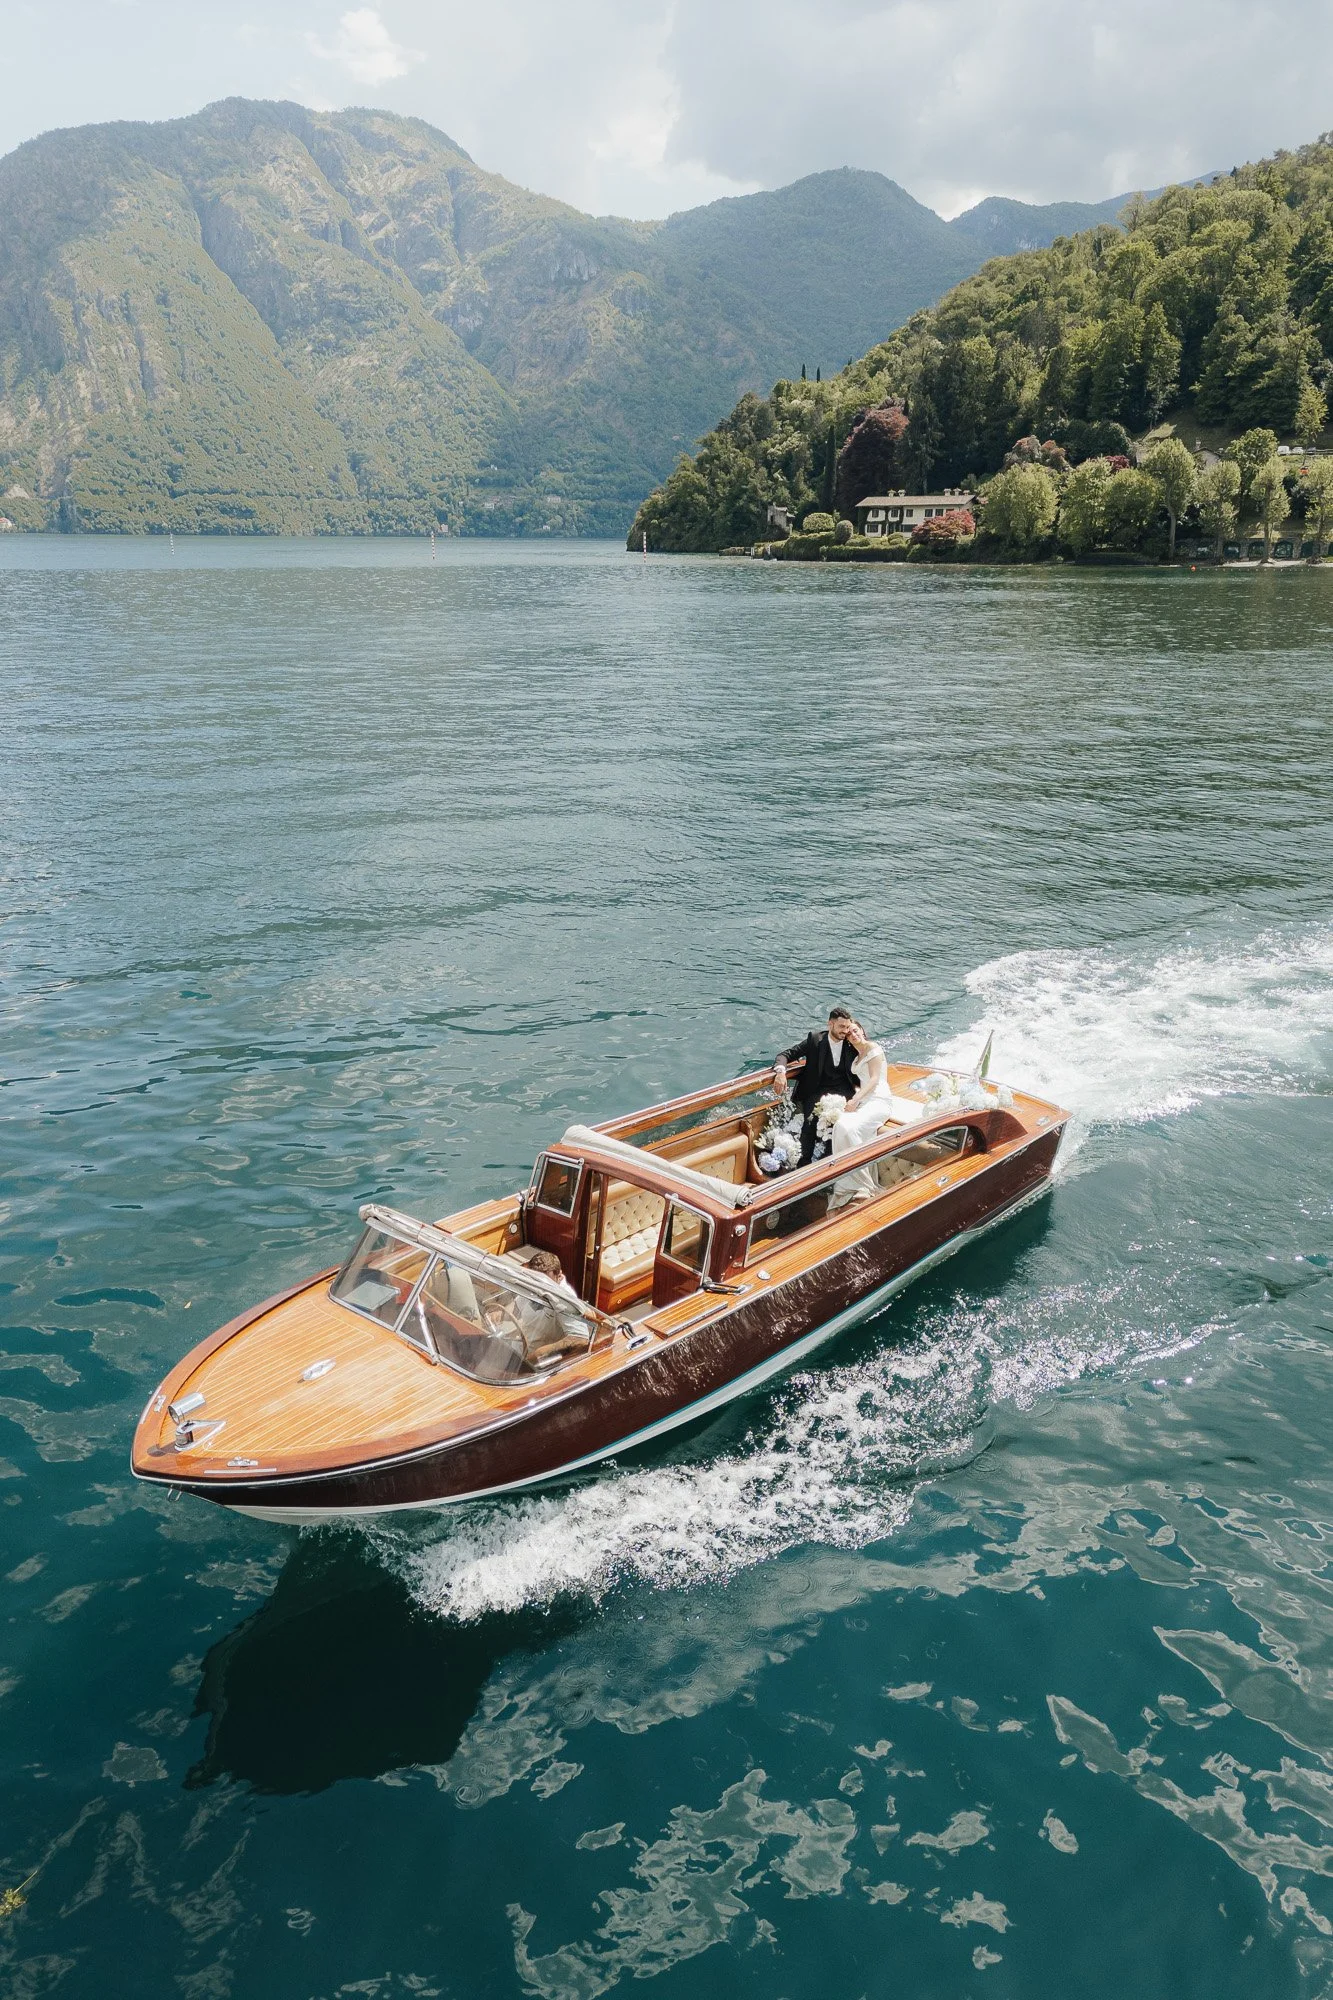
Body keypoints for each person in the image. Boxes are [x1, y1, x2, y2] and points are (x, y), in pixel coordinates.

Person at [774, 1007, 861, 1163]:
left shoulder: (850, 1043)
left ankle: (828, 1163)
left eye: (847, 1027)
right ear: (830, 1024)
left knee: (839, 1126)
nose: (845, 1031)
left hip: (844, 1093)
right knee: (809, 1124)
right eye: (841, 1027)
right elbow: (785, 1055)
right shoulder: (815, 1040)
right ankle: (803, 1165)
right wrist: (780, 1073)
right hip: (817, 1091)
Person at [829, 1019, 895, 1202]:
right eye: (849, 1033)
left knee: (848, 1127)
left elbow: (873, 1079)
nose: (854, 1034)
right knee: (840, 1125)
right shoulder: (856, 1057)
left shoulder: (874, 1048)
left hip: (880, 1100)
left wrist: (855, 1099)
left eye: (856, 1030)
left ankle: (863, 1184)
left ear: (862, 1031)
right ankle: (847, 1180)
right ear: (847, 1039)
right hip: (865, 1101)